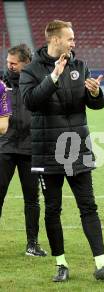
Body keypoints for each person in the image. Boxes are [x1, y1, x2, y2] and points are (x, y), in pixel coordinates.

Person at [19, 20, 104, 284]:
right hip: (47, 150)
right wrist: (53, 77)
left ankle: (102, 265)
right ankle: (61, 264)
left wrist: (97, 94)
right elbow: (31, 102)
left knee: (88, 206)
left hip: (78, 147)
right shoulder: (31, 70)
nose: (74, 42)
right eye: (70, 38)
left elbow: (93, 104)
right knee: (53, 209)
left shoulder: (80, 66)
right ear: (55, 40)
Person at [0, 44, 48, 257]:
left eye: (14, 63)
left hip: (31, 148)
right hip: (5, 147)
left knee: (32, 198)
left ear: (26, 63)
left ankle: (32, 244)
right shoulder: (1, 83)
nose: (9, 67)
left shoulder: (38, 83)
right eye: (7, 62)